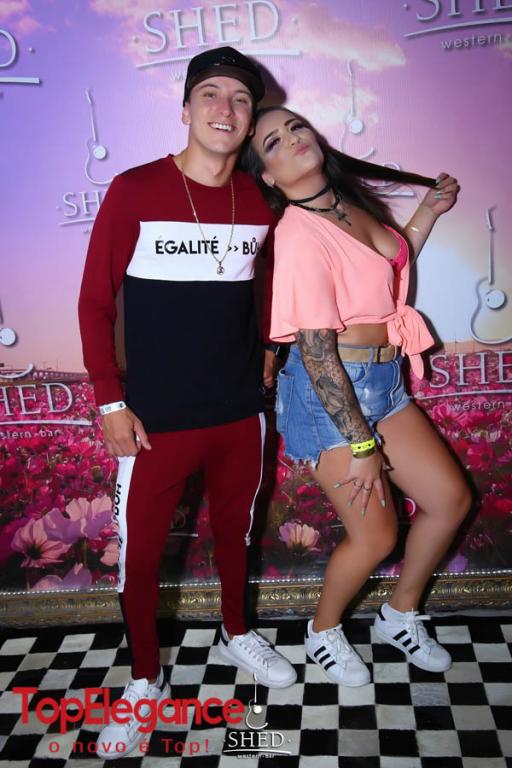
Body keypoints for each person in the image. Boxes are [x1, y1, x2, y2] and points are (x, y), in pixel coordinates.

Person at [78, 49, 296, 758]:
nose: (225, 109)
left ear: (250, 118)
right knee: (141, 558)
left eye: (240, 99)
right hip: (155, 420)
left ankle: (237, 632)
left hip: (238, 413)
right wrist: (110, 403)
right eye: (210, 94)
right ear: (185, 109)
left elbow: (271, 287)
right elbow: (93, 302)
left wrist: (270, 348)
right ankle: (145, 680)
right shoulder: (135, 189)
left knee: (235, 534)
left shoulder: (261, 199)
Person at [241, 106, 471, 686]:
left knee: (448, 500)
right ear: (267, 175)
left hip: (383, 381)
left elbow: (387, 261)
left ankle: (398, 614)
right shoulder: (298, 233)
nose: (292, 139)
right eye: (273, 142)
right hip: (330, 394)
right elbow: (318, 354)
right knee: (377, 536)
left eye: (296, 127)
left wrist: (427, 212)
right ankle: (323, 630)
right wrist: (363, 445)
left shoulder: (349, 206)